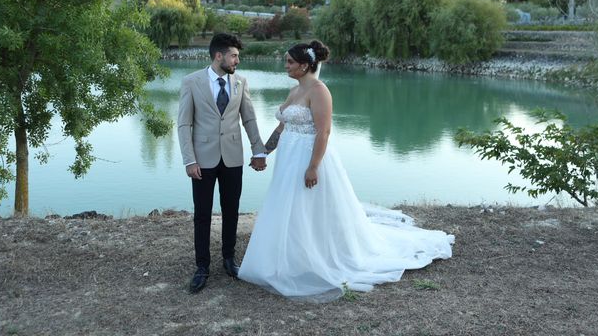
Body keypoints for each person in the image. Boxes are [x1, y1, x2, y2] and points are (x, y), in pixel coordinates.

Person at [238, 40, 454, 302]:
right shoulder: (295, 91)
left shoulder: (319, 91)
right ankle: (288, 256)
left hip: (308, 157)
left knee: (310, 206)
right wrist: (263, 153)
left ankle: (315, 258)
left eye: (290, 62)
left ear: (305, 65)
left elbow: (324, 132)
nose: (286, 65)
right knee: (288, 205)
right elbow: (283, 127)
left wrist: (313, 167)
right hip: (288, 159)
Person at [177, 33, 267, 293]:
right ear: (219, 56)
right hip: (202, 160)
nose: (237, 60)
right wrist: (189, 159)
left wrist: (258, 150)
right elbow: (184, 124)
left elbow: (249, 118)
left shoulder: (240, 82)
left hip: (232, 158)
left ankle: (229, 258)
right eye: (234, 55)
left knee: (231, 210)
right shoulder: (191, 82)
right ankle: (202, 267)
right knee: (202, 215)